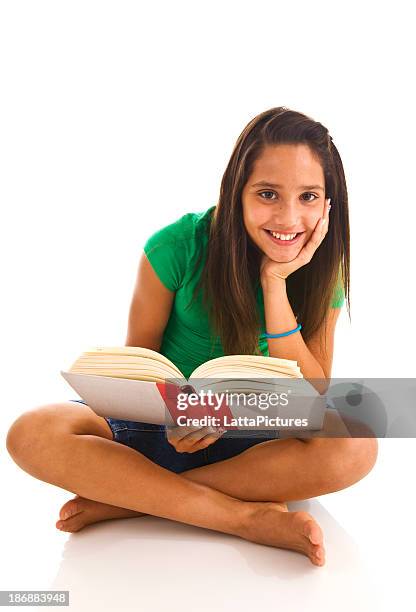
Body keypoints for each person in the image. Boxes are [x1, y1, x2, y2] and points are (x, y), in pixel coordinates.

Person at [6, 106, 378, 567]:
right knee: (32, 432)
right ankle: (242, 519)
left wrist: (274, 284)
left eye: (308, 196)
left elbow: (314, 392)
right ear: (237, 191)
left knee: (356, 441)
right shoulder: (176, 246)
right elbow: (137, 369)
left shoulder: (322, 273)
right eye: (267, 193)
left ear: (328, 205)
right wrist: (176, 413)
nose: (288, 217)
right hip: (161, 427)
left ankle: (132, 501)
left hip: (256, 444)